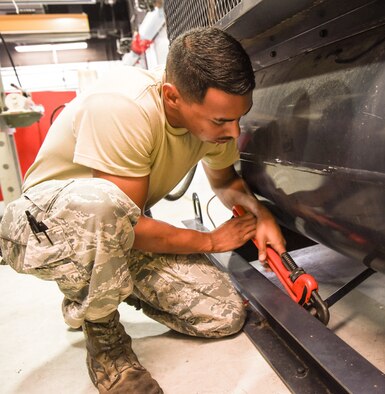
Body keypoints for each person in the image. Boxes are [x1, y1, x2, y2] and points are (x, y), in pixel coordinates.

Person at [0, 27, 286, 393]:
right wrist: (210, 241)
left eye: (238, 117)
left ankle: (94, 288)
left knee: (224, 315)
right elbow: (126, 224)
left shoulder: (215, 126)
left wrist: (259, 215)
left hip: (114, 231)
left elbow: (225, 183)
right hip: (39, 230)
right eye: (220, 121)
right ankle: (107, 345)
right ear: (172, 97)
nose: (233, 132)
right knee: (104, 209)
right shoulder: (123, 107)